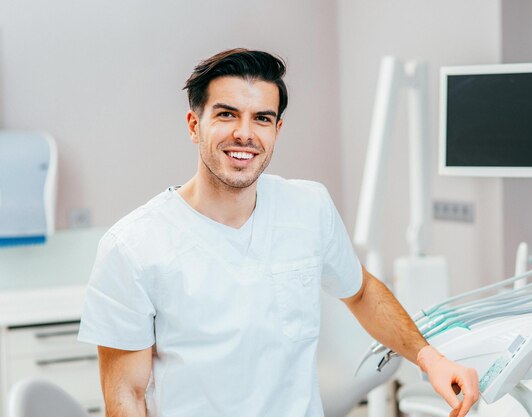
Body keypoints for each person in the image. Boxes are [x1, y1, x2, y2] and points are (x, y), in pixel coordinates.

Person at [78, 48, 478, 417]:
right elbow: (126, 395)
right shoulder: (133, 247)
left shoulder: (308, 207)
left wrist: (430, 358)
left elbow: (360, 291)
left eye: (262, 119)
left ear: (277, 130)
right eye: (226, 114)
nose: (244, 134)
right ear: (193, 125)